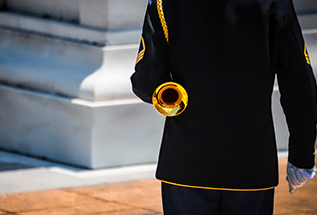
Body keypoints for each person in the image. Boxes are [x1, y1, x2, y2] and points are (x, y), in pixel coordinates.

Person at [130, 0, 317, 214]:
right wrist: (302, 156)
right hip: (252, 164)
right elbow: (299, 83)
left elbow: (146, 80)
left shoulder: (166, 3)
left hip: (186, 164)